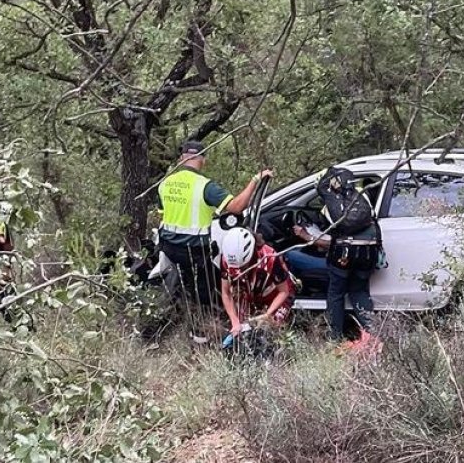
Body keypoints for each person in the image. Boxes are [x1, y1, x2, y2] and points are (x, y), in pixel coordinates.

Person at [156, 140, 271, 336]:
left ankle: (179, 318)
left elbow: (163, 214)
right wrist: (255, 180)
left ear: (181, 159)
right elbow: (236, 207)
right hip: (194, 251)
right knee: (208, 292)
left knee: (183, 286)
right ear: (203, 160)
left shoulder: (165, 183)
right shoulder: (204, 186)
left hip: (168, 247)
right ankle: (200, 333)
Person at [291, 173, 381, 351]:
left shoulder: (331, 206)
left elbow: (329, 242)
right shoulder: (363, 196)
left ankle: (335, 339)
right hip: (368, 253)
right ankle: (374, 334)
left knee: (336, 293)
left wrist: (306, 236)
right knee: (359, 291)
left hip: (344, 257)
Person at [217, 227, 295, 345]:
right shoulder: (225, 260)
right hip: (250, 292)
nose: (239, 272)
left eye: (242, 267)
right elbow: (226, 292)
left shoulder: (270, 258)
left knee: (270, 330)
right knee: (243, 331)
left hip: (277, 294)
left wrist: (267, 315)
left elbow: (284, 291)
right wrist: (235, 321)